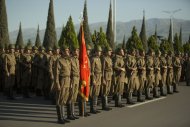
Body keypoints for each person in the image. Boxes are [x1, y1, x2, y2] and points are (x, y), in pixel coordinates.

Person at [54, 45, 71, 124]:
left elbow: (69, 73)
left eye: (68, 50)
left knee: (64, 99)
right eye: (66, 50)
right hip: (62, 80)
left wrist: (70, 82)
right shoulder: (59, 60)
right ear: (63, 52)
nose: (68, 52)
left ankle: (63, 117)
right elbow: (56, 74)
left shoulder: (67, 60)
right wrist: (57, 84)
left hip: (68, 80)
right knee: (59, 99)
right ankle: (60, 118)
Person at [90, 45, 102, 114]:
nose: (100, 53)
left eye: (100, 51)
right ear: (96, 52)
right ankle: (92, 108)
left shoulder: (99, 59)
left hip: (99, 77)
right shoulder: (93, 59)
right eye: (99, 51)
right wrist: (93, 79)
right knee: (94, 93)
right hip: (95, 77)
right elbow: (92, 70)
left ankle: (95, 108)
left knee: (97, 93)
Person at [101, 46, 113, 110]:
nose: (111, 52)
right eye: (109, 51)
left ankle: (106, 105)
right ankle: (104, 106)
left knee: (108, 90)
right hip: (105, 75)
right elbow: (102, 69)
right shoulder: (104, 59)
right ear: (106, 52)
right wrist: (103, 79)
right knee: (105, 90)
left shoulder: (110, 59)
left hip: (109, 75)